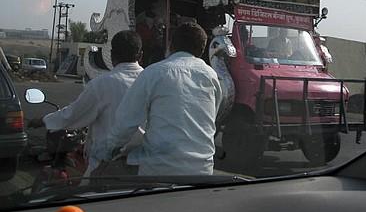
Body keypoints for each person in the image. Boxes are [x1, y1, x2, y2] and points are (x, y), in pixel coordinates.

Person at [102, 22, 222, 176]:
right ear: (202, 49)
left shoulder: (154, 73)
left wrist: (106, 153)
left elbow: (124, 124)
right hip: (203, 171)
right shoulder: (211, 76)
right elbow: (213, 117)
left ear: (171, 45)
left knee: (100, 176)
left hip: (158, 170)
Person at [28, 30, 144, 176]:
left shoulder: (102, 84)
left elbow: (72, 115)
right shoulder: (152, 81)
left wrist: (43, 121)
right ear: (140, 55)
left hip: (107, 169)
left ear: (112, 55)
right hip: (147, 167)